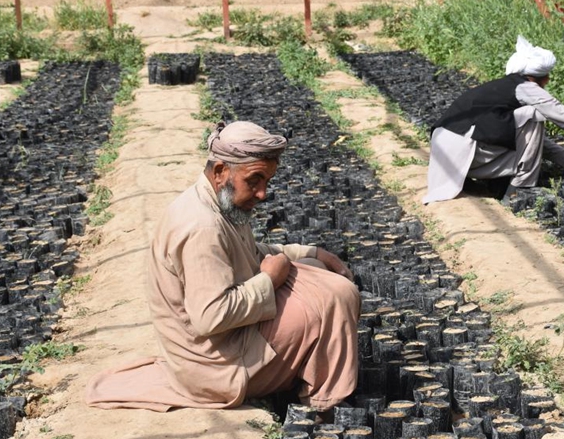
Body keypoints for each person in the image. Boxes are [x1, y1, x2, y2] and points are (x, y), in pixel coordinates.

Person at [86, 121, 360, 414]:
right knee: (336, 295)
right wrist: (268, 280)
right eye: (254, 181)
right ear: (220, 172)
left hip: (221, 346)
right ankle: (324, 406)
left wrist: (310, 252)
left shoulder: (218, 202)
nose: (262, 194)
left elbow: (251, 253)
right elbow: (210, 315)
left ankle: (310, 379)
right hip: (216, 367)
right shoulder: (202, 227)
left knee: (313, 267)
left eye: (267, 182)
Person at [423, 35, 564, 204]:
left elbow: (526, 138)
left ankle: (498, 185)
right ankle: (521, 190)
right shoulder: (527, 88)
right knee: (533, 115)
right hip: (464, 151)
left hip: (444, 154)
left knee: (525, 118)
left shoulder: (500, 87)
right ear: (544, 78)